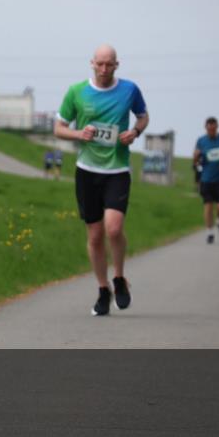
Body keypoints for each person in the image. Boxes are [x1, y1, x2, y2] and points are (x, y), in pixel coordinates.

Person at [53, 44, 148, 316]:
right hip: (87, 171)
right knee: (95, 236)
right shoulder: (77, 92)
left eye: (109, 64)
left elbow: (143, 117)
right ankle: (103, 289)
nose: (104, 69)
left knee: (114, 229)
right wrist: (79, 134)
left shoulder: (129, 90)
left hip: (117, 170)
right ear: (92, 63)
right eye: (100, 64)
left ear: (117, 65)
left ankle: (119, 278)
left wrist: (135, 132)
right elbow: (58, 128)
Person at [193, 117, 219, 244]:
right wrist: (196, 156)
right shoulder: (201, 141)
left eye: (213, 129)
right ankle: (210, 232)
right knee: (208, 206)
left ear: (217, 127)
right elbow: (196, 161)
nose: (211, 131)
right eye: (209, 129)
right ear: (206, 128)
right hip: (206, 179)